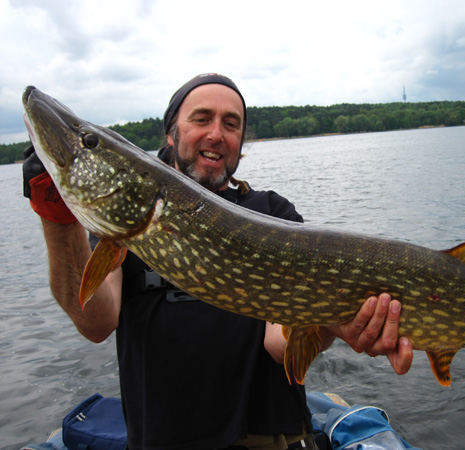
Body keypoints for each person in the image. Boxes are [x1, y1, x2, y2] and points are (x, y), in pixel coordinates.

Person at [23, 73, 413, 450]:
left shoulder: (273, 214)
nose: (216, 134)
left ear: (241, 141)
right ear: (171, 132)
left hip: (270, 440)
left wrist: (333, 320)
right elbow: (95, 322)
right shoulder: (127, 220)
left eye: (231, 124)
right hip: (161, 442)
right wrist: (57, 219)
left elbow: (280, 343)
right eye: (201, 118)